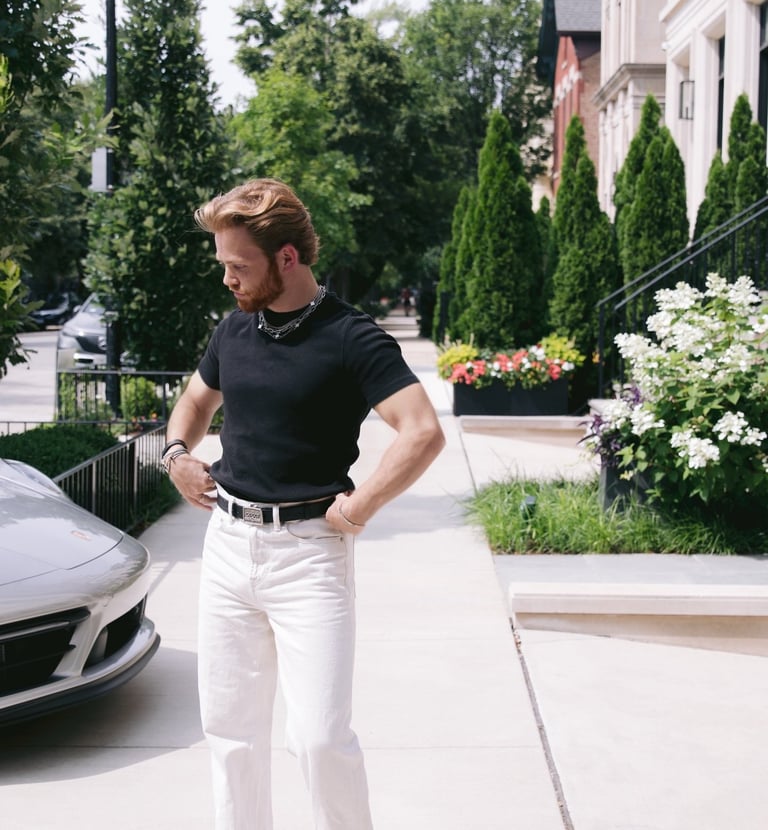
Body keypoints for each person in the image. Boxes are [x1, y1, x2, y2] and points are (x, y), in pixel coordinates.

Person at [162, 178, 445, 830]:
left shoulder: (351, 337)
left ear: (287, 258)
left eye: (239, 266)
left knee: (319, 740)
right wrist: (177, 456)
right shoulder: (232, 331)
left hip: (309, 556)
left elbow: (422, 430)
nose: (227, 279)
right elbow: (195, 402)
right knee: (230, 734)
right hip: (229, 548)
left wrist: (359, 508)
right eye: (223, 265)